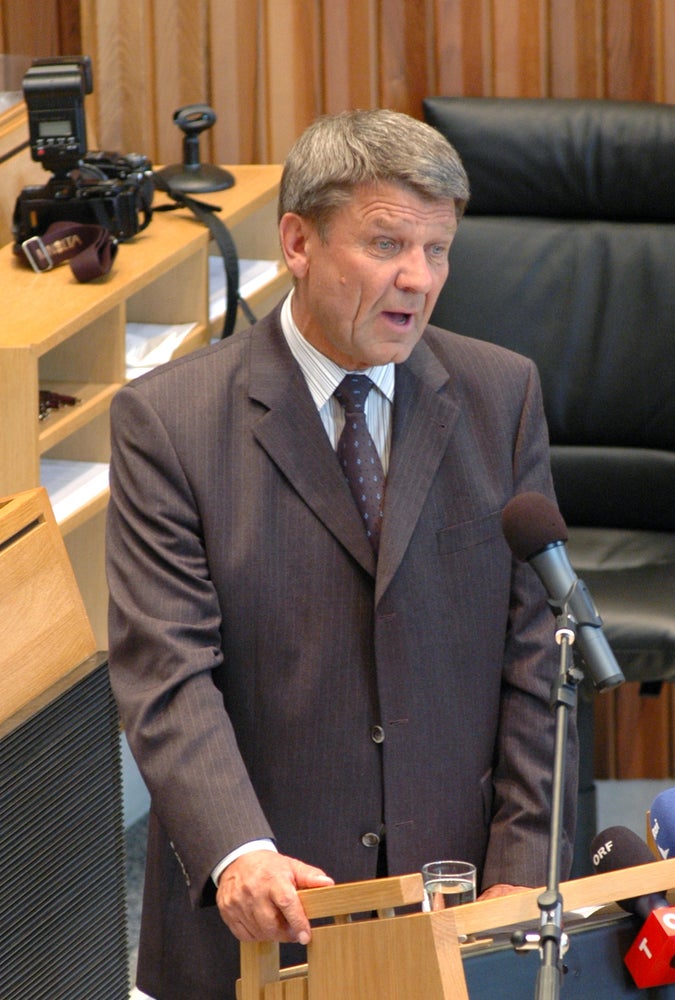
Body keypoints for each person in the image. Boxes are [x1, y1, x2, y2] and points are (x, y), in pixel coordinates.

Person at [106, 108, 578, 1000]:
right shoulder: (169, 423)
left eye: (436, 250)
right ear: (298, 242)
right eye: (386, 243)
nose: (418, 278)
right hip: (262, 909)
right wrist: (237, 851)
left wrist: (520, 859)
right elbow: (166, 671)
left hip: (456, 903)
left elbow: (535, 657)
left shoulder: (498, 395)